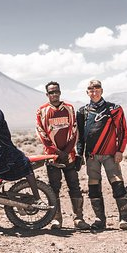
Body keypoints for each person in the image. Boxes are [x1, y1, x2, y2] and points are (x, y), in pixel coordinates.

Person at [76, 79, 127, 230]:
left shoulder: (114, 109)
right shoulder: (82, 111)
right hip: (91, 156)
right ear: (87, 92)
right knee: (93, 186)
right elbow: (80, 136)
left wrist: (120, 150)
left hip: (110, 155)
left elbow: (122, 131)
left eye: (97, 89)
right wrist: (79, 154)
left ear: (101, 91)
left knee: (117, 184)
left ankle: (124, 219)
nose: (94, 92)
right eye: (90, 90)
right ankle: (100, 219)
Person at [36, 81, 90, 230]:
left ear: (60, 92)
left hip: (69, 156)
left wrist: (66, 151)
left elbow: (74, 130)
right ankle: (56, 219)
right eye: (51, 92)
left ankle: (78, 218)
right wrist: (56, 152)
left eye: (56, 91)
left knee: (75, 186)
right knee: (54, 188)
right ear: (47, 94)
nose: (54, 94)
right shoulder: (41, 111)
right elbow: (41, 134)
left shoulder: (69, 109)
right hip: (52, 157)